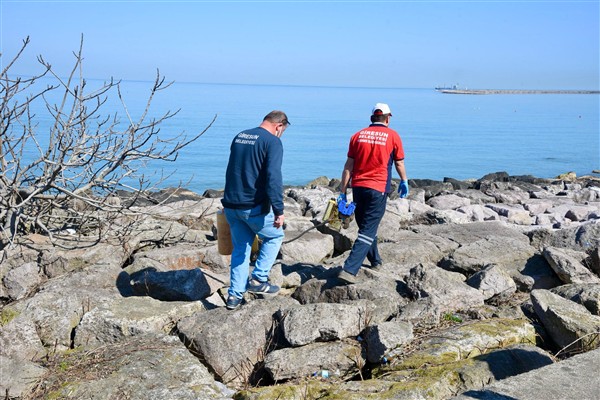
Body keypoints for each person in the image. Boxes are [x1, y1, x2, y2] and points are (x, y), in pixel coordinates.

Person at [221, 110, 290, 310]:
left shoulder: (240, 136)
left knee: (240, 250)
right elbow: (273, 177)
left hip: (232, 205)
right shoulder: (272, 142)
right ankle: (258, 279)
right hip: (252, 207)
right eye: (282, 131)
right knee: (275, 236)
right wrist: (279, 210)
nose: (280, 134)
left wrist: (227, 201)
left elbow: (232, 169)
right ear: (279, 125)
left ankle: (234, 296)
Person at [337, 103, 409, 284]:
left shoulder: (357, 136)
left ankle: (375, 260)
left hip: (359, 187)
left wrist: (343, 191)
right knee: (368, 229)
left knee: (366, 227)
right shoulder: (393, 136)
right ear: (387, 118)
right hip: (378, 188)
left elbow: (348, 166)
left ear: (372, 118)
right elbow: (399, 163)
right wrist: (404, 180)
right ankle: (349, 269)